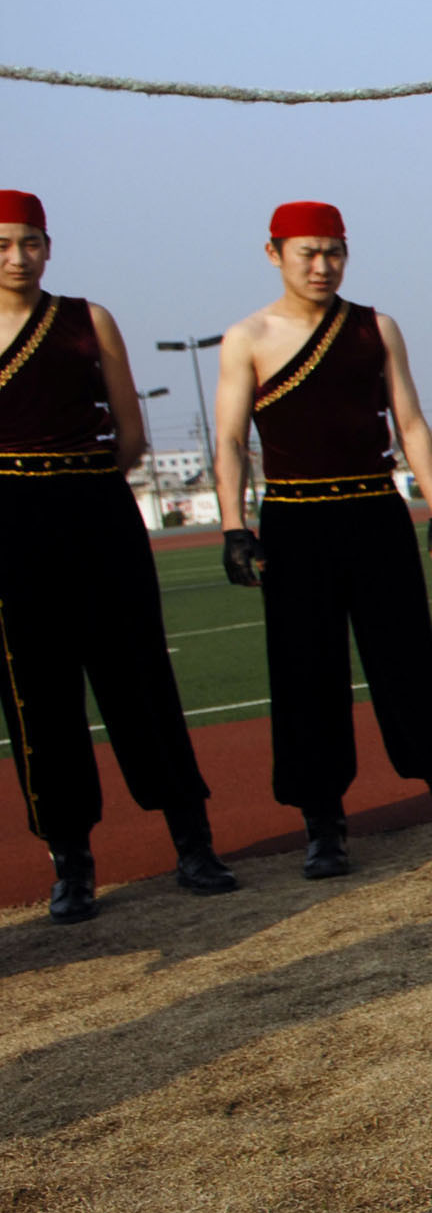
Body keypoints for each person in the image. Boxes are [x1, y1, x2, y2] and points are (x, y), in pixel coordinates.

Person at [211, 201, 432, 878]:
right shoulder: (248, 337)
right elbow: (230, 438)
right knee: (305, 676)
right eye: (307, 253)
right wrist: (234, 525)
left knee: (407, 665)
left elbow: (409, 421)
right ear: (274, 253)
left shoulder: (375, 327)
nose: (321, 266)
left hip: (375, 514)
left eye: (333, 253)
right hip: (293, 523)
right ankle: (323, 826)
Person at [0, 190, 237, 922]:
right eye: (4, 244)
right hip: (8, 529)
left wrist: (85, 490)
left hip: (97, 517)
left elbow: (130, 431)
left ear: (49, 245)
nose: (18, 257)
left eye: (31, 242)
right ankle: (71, 863)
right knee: (36, 699)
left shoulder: (85, 319)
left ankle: (192, 843)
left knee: (140, 682)